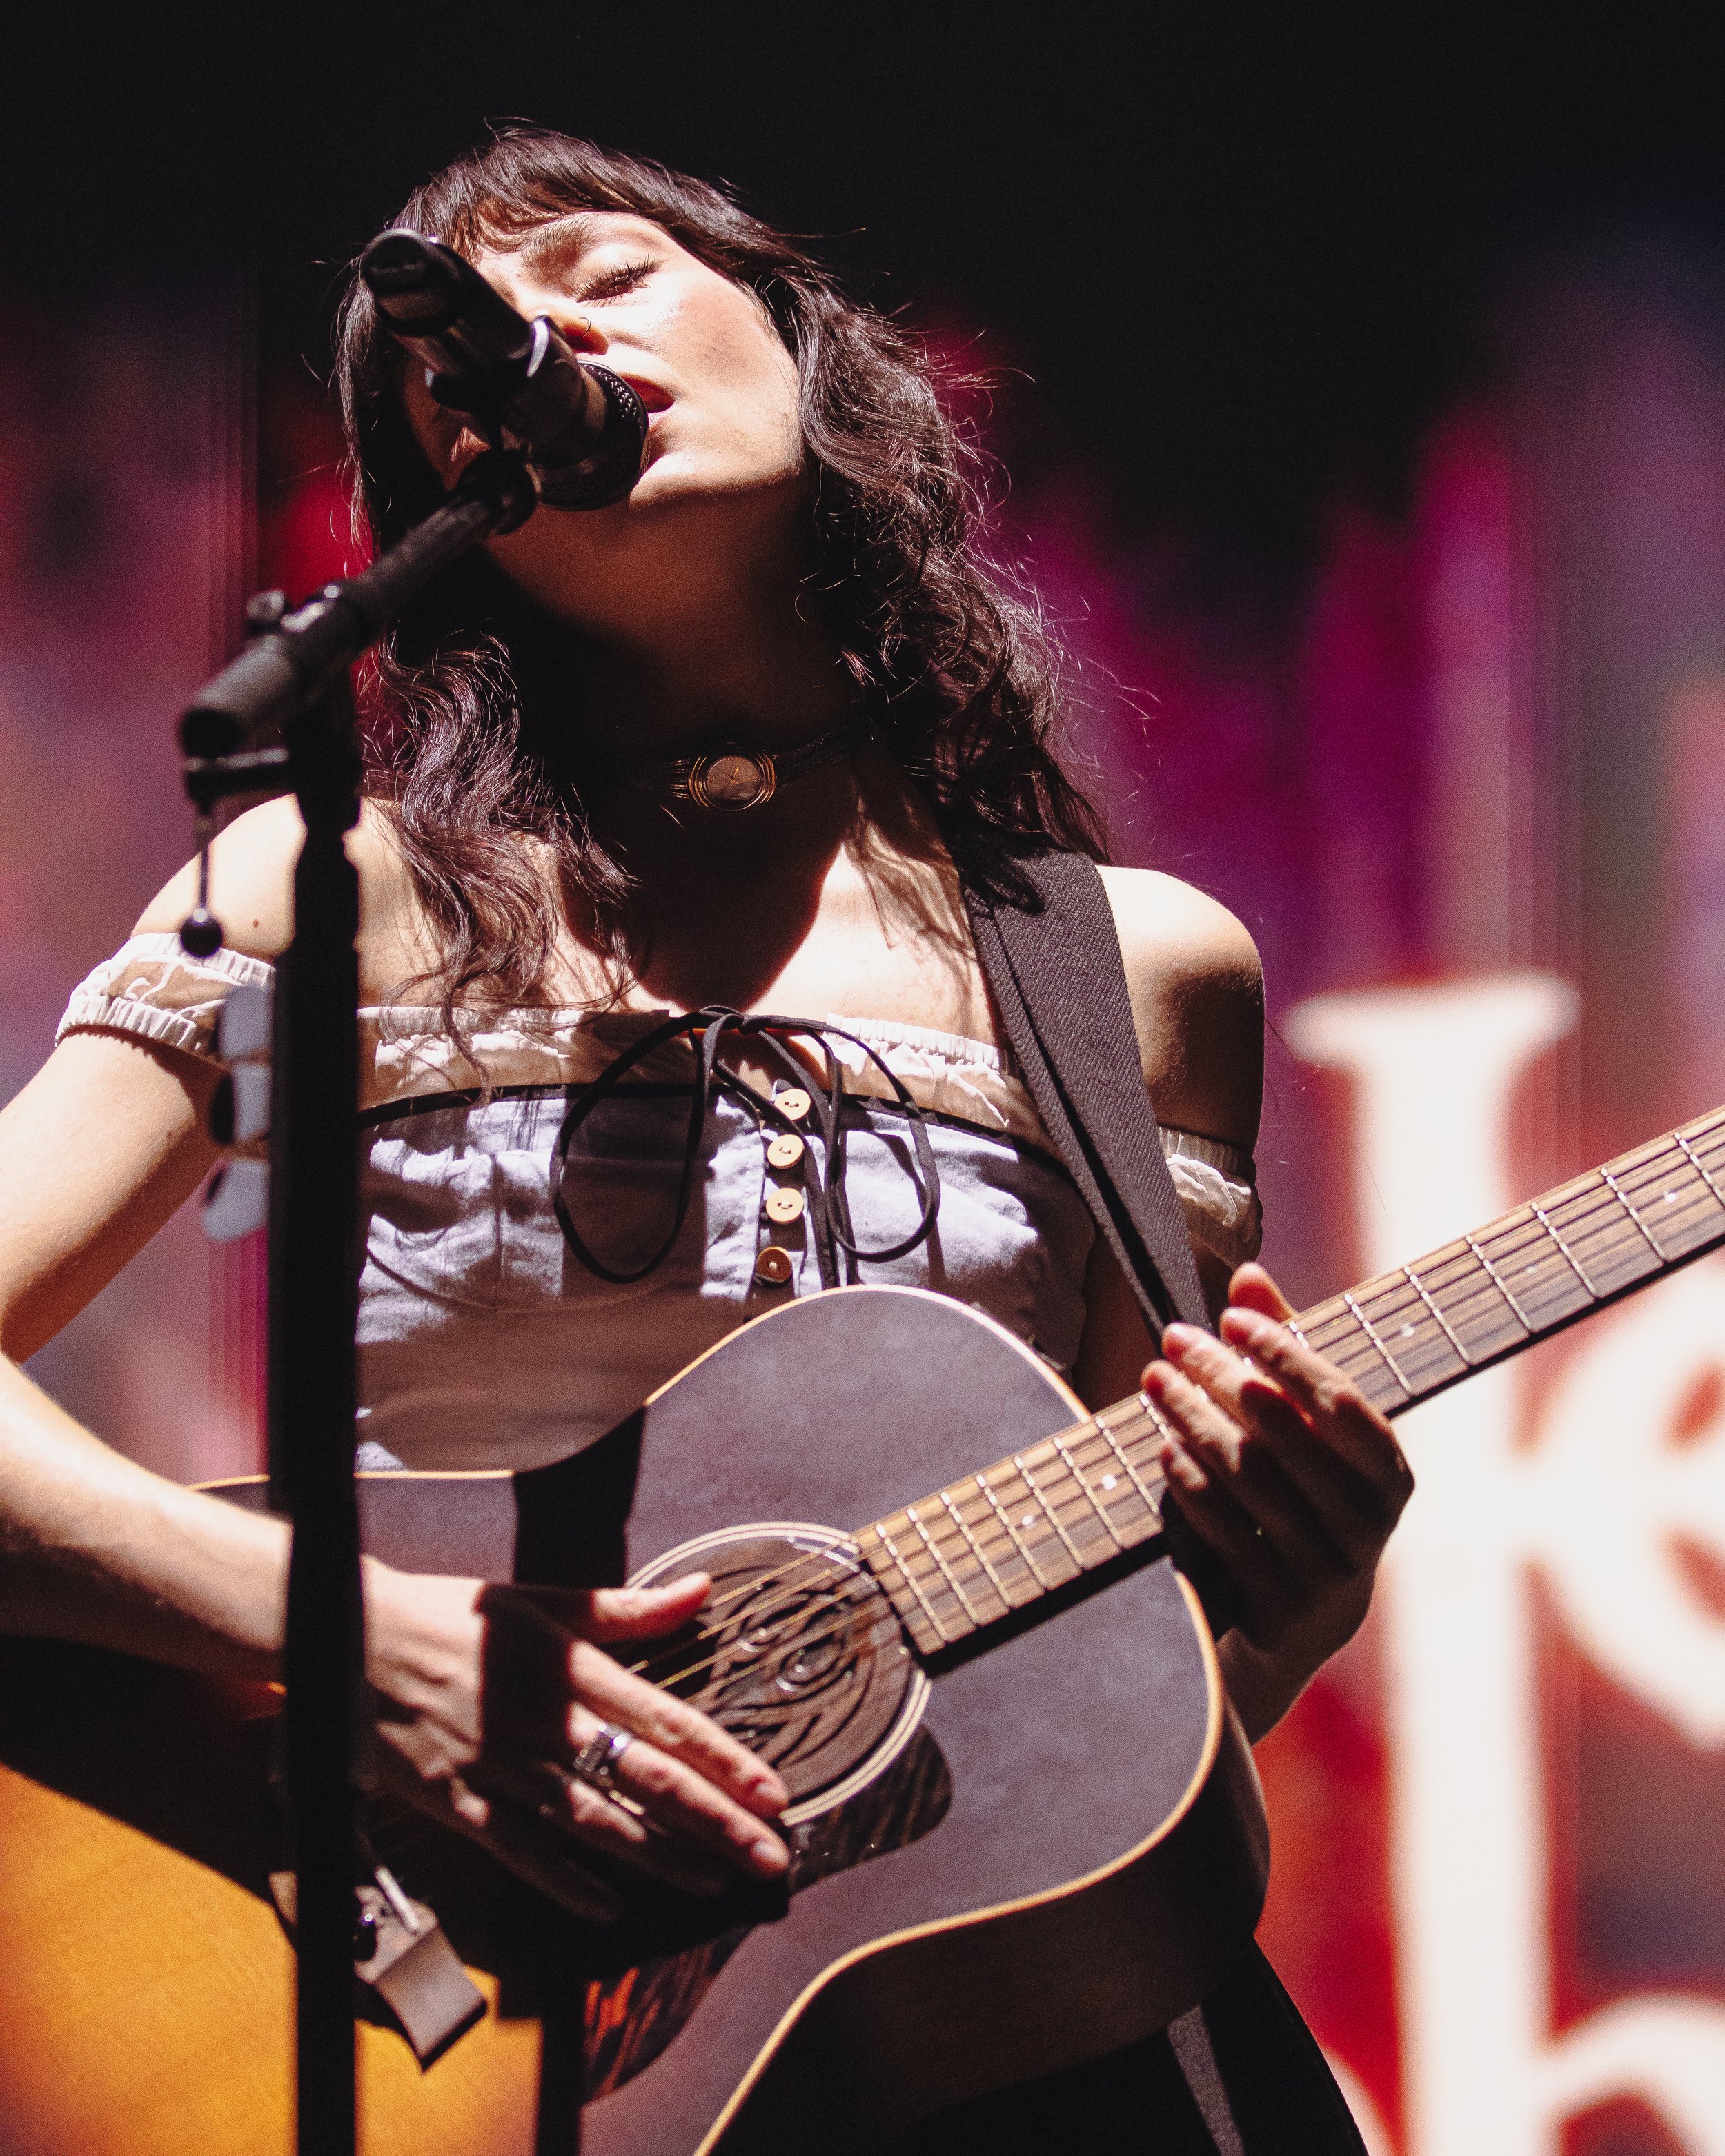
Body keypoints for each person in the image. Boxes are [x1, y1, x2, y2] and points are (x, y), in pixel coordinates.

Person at [0, 130, 1412, 2146]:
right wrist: (369, 1649)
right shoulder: (330, 892)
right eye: (460, 373)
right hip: (439, 2013)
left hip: (971, 2051)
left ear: (800, 344)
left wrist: (1291, 1599)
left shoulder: (1134, 969)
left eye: (608, 273)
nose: (545, 344)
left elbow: (1123, 1688)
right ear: (459, 520)